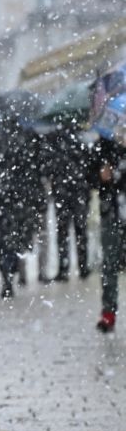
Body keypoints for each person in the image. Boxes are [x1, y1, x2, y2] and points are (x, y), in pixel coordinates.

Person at [0, 117, 45, 299]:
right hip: (20, 200)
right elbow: (38, 168)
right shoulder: (28, 137)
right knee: (16, 239)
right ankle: (12, 271)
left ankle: (5, 275)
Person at [44, 123, 91, 282]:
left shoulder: (55, 141)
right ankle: (83, 267)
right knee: (80, 231)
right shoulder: (82, 139)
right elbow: (89, 165)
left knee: (63, 232)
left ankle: (64, 269)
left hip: (62, 193)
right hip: (79, 192)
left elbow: (48, 168)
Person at [90, 136, 126, 332]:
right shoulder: (104, 145)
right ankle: (108, 313)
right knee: (110, 264)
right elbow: (89, 176)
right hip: (111, 212)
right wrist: (101, 177)